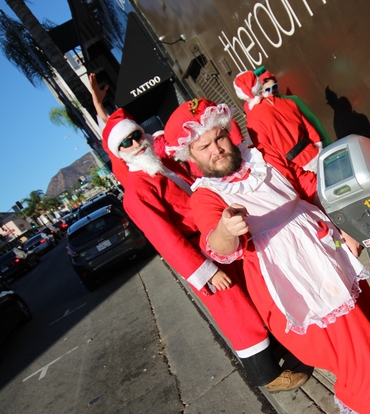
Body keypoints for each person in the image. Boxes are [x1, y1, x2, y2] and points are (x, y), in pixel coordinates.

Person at [164, 98, 370, 414]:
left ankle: (369, 396)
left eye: (219, 137)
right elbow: (215, 246)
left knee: (364, 322)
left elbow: (310, 188)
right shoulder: (205, 196)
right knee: (344, 340)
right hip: (291, 277)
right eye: (203, 146)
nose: (216, 149)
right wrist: (225, 231)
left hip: (327, 249)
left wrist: (347, 230)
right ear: (191, 156)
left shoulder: (265, 157)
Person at [102, 107, 308, 392]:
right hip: (200, 254)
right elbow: (166, 240)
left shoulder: (161, 166)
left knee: (253, 294)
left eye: (136, 136)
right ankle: (267, 376)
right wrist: (206, 272)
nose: (136, 144)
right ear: (118, 151)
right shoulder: (136, 191)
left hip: (216, 236)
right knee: (236, 311)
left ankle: (275, 350)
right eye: (126, 142)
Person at [233, 70, 322, 200]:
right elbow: (309, 127)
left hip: (298, 169)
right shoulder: (283, 102)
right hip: (315, 152)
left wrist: (293, 188)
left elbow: (272, 157)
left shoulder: (252, 122)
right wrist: (318, 146)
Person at [258, 70, 332, 147]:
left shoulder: (293, 100)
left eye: (274, 86)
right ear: (261, 93)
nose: (272, 91)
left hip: (313, 147)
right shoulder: (263, 114)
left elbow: (313, 120)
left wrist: (326, 142)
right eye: (267, 89)